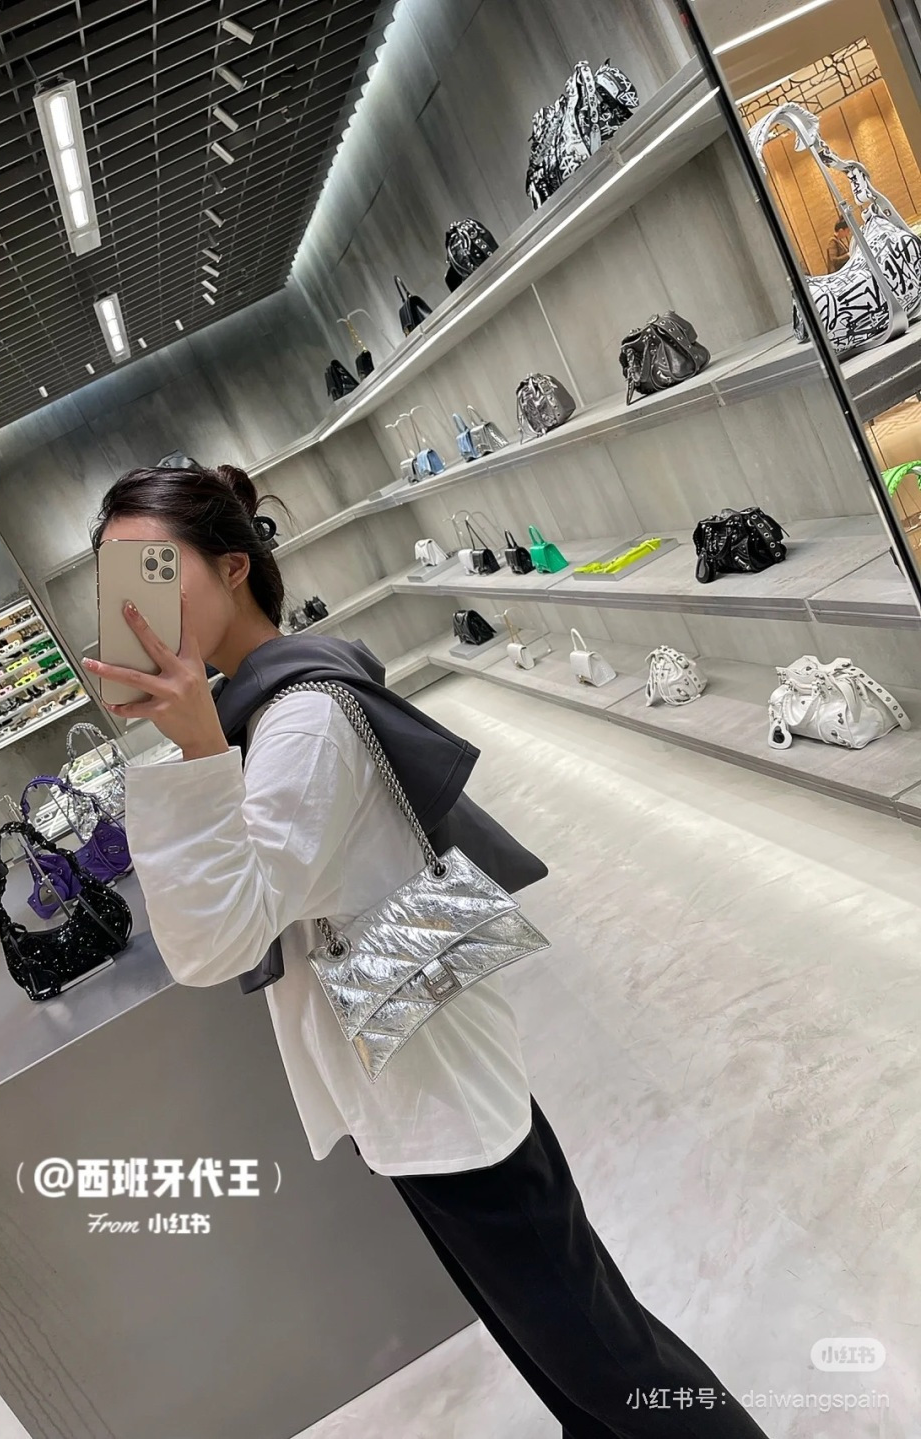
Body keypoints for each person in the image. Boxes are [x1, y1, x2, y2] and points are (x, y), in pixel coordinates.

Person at [83, 461, 769, 1437]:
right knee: (561, 1351)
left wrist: (197, 751)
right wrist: (202, 739)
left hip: (432, 1078)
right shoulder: (263, 705)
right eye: (118, 582)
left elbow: (216, 938)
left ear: (233, 566)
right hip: (409, 1058)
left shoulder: (297, 722)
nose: (136, 604)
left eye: (154, 569)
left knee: (611, 1359)